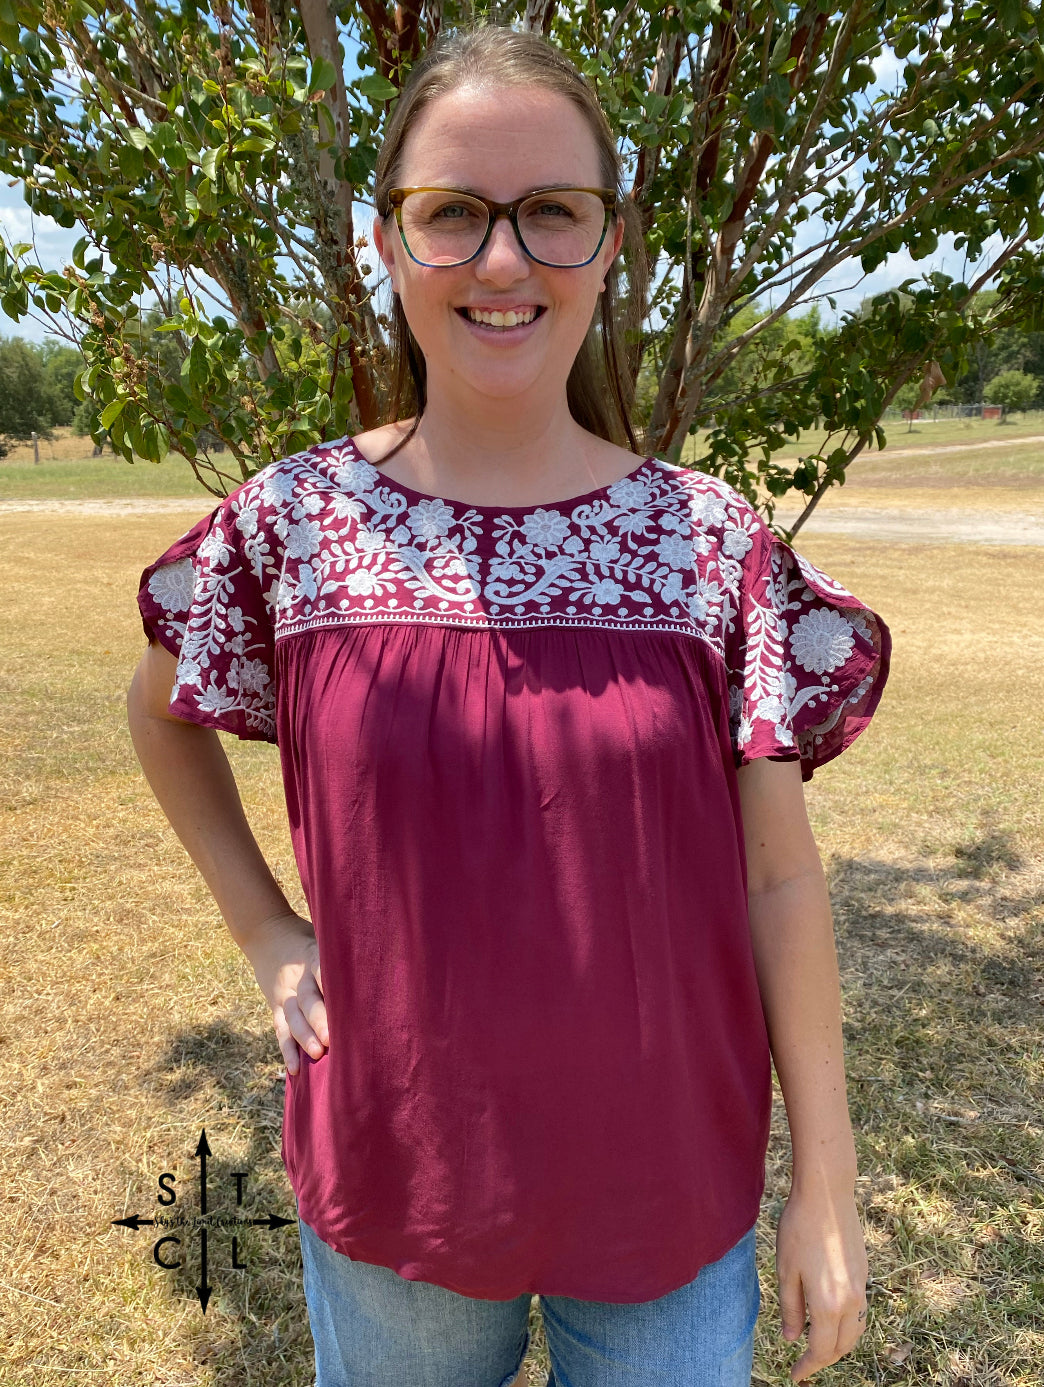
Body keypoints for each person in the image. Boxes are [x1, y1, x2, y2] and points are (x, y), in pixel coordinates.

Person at [128, 24, 891, 1387]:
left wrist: (826, 1183)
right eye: (454, 216)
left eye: (553, 212)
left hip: (669, 1191)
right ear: (386, 241)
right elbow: (162, 711)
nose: (502, 260)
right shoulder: (297, 525)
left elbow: (779, 883)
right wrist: (265, 930)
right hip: (398, 1187)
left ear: (609, 242)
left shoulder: (711, 547)